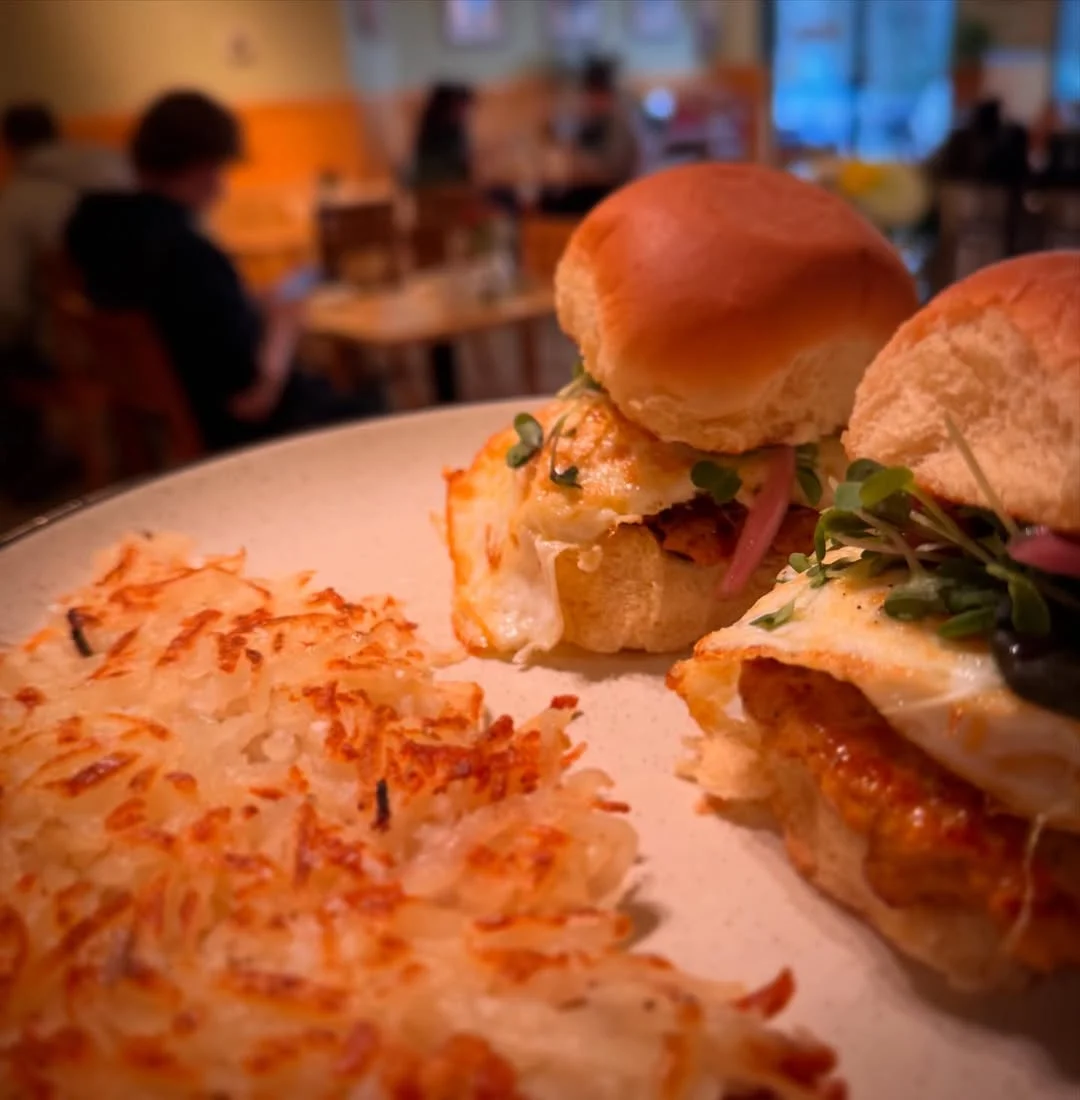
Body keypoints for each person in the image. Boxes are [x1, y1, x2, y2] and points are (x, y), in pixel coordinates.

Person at [66, 90, 382, 452]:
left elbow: (189, 318)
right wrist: (284, 326)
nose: (221, 184)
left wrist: (241, 299)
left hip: (167, 420)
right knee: (374, 407)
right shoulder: (188, 255)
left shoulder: (95, 233)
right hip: (244, 438)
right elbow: (252, 402)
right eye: (220, 167)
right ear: (202, 164)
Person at [0, 102, 128, 500]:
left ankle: (29, 475)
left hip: (75, 350)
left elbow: (7, 301)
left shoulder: (18, 200)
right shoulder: (119, 174)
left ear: (10, 145)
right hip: (142, 345)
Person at [543, 57, 637, 215]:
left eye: (595, 95)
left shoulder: (620, 122)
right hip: (593, 190)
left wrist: (574, 160)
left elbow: (613, 168)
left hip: (610, 193)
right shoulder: (588, 120)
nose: (590, 101)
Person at [411, 82, 475, 188]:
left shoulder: (456, 130)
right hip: (442, 188)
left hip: (455, 187)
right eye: (462, 106)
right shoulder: (437, 134)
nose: (466, 113)